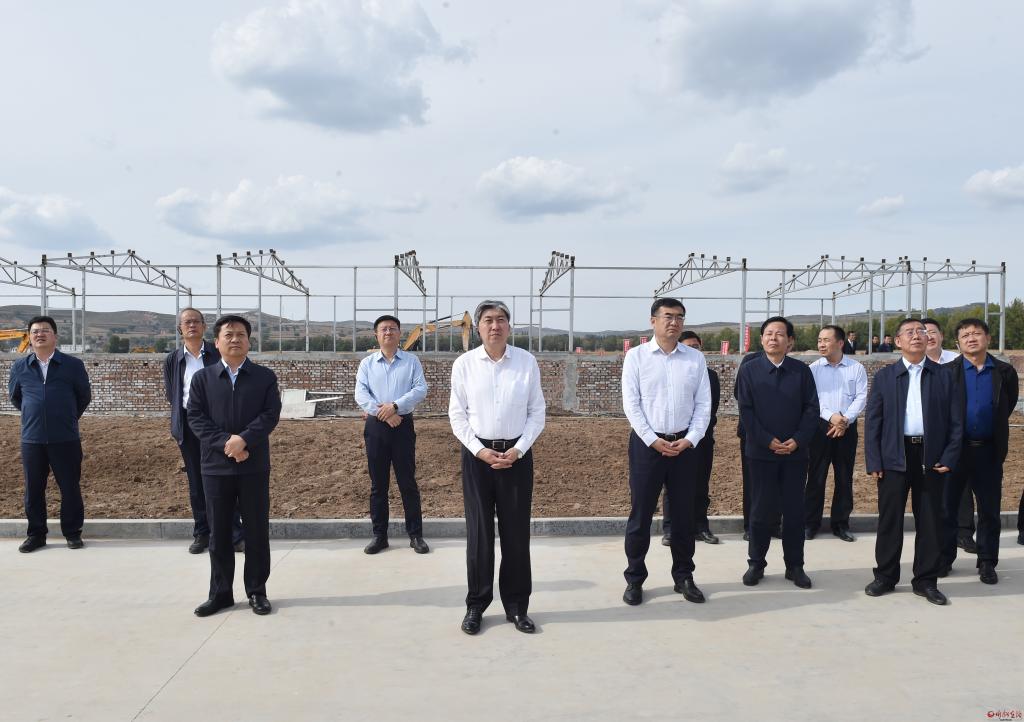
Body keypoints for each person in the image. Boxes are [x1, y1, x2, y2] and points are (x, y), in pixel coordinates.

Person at [449, 300, 545, 635]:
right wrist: (479, 450)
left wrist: (519, 449)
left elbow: (537, 412)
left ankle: (517, 607)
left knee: (516, 535)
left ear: (509, 326)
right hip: (478, 457)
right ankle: (476, 605)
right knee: (479, 534)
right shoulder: (465, 364)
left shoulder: (526, 362)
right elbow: (457, 415)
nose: (495, 326)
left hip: (516, 457)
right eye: (488, 320)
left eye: (501, 319)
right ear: (478, 327)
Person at [188, 315, 282, 617]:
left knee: (256, 531)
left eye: (241, 334)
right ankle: (220, 594)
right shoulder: (202, 379)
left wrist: (244, 440)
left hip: (253, 466)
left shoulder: (264, 377)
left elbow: (270, 415)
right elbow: (196, 418)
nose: (235, 339)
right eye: (228, 335)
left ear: (249, 341)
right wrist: (227, 444)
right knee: (219, 533)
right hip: (216, 467)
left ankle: (257, 591)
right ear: (216, 342)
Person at [864, 318, 962, 606]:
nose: (918, 335)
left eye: (922, 331)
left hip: (931, 457)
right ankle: (885, 576)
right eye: (910, 332)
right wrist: (874, 460)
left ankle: (926, 580)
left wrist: (949, 456)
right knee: (890, 519)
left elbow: (957, 422)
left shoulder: (944, 375)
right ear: (898, 342)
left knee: (931, 521)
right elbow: (873, 422)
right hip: (894, 456)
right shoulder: (886, 377)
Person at [621, 300, 712, 607]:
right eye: (668, 316)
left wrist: (691, 438)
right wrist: (651, 439)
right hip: (647, 447)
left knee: (684, 515)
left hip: (685, 447)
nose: (674, 322)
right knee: (641, 514)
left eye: (679, 317)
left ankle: (684, 576)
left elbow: (703, 404)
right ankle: (635, 578)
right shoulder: (636, 357)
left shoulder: (694, 359)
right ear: (653, 320)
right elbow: (631, 404)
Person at [735, 317, 818, 589]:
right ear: (761, 339)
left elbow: (811, 409)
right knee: (760, 511)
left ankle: (795, 566)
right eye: (769, 333)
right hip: (761, 454)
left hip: (795, 454)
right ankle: (756, 564)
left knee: (794, 512)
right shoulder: (749, 370)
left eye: (780, 334)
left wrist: (797, 440)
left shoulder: (801, 372)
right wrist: (767, 441)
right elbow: (746, 411)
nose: (774, 338)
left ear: (790, 341)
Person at [939, 319, 1017, 584]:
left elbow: (1006, 405)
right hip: (955, 451)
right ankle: (944, 558)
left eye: (977, 333)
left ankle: (987, 561)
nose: (971, 338)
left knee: (989, 510)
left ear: (988, 339)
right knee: (947, 508)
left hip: (988, 450)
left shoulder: (1004, 372)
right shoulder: (947, 372)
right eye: (965, 335)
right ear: (957, 343)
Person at [163, 307, 244, 555]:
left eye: (196, 321)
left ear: (204, 327)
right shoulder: (173, 359)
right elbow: (173, 394)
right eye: (186, 322)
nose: (191, 325)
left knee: (224, 480)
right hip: (188, 426)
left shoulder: (216, 353)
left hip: (218, 426)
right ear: (180, 328)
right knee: (197, 482)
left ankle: (234, 534)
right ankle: (202, 532)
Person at [9, 316, 92, 552]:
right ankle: (36, 535)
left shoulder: (72, 365)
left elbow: (84, 396)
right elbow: (16, 397)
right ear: (29, 337)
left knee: (70, 487)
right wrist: (34, 415)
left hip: (65, 438)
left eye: (45, 330)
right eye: (35, 331)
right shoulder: (20, 367)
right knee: (33, 489)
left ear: (55, 336)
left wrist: (66, 417)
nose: (40, 334)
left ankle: (72, 533)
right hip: (32, 439)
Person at [354, 314, 430, 555]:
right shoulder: (367, 364)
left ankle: (415, 535)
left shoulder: (411, 361)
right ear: (376, 335)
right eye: (384, 329)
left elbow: (421, 388)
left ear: (399, 334)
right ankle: (380, 536)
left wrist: (395, 406)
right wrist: (385, 413)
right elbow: (361, 393)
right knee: (378, 485)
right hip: (376, 427)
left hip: (402, 426)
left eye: (393, 329)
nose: (388, 332)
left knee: (408, 482)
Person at [804, 325, 867, 542]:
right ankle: (810, 523)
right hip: (820, 428)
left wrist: (845, 419)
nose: (821, 344)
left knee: (844, 477)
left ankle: (841, 524)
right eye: (819, 340)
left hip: (847, 429)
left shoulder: (856, 368)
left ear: (840, 343)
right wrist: (831, 417)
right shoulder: (813, 369)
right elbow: (811, 399)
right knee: (816, 477)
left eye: (826, 340)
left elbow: (861, 397)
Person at [661, 330, 720, 546]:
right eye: (688, 346)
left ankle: (701, 526)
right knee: (671, 487)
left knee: (701, 485)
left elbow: (709, 409)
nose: (693, 350)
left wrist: (695, 434)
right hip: (674, 439)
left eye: (696, 346)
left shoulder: (710, 375)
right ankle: (670, 529)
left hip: (702, 440)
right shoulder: (671, 373)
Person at [922, 317, 975, 552]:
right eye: (923, 332)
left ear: (942, 336)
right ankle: (938, 537)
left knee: (962, 487)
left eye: (933, 331)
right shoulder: (915, 365)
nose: (929, 336)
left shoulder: (957, 362)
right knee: (933, 490)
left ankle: (964, 533)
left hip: (957, 435)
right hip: (929, 437)